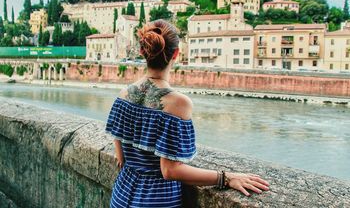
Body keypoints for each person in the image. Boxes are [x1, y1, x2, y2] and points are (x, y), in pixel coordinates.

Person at [105, 20, 270, 208]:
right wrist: (226, 178)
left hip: (121, 194)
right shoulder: (178, 103)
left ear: (143, 51)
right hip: (155, 200)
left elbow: (121, 156)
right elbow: (170, 170)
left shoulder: (123, 95)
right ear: (176, 53)